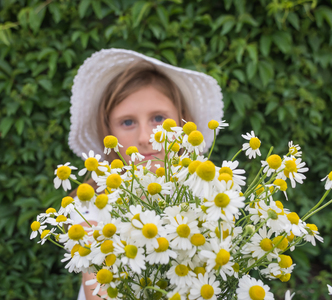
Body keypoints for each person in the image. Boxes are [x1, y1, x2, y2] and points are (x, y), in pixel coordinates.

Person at [67, 48, 224, 300]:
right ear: (108, 132)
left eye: (159, 119)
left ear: (183, 123)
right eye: (127, 122)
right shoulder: (91, 209)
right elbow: (98, 290)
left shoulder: (212, 198)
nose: (144, 138)